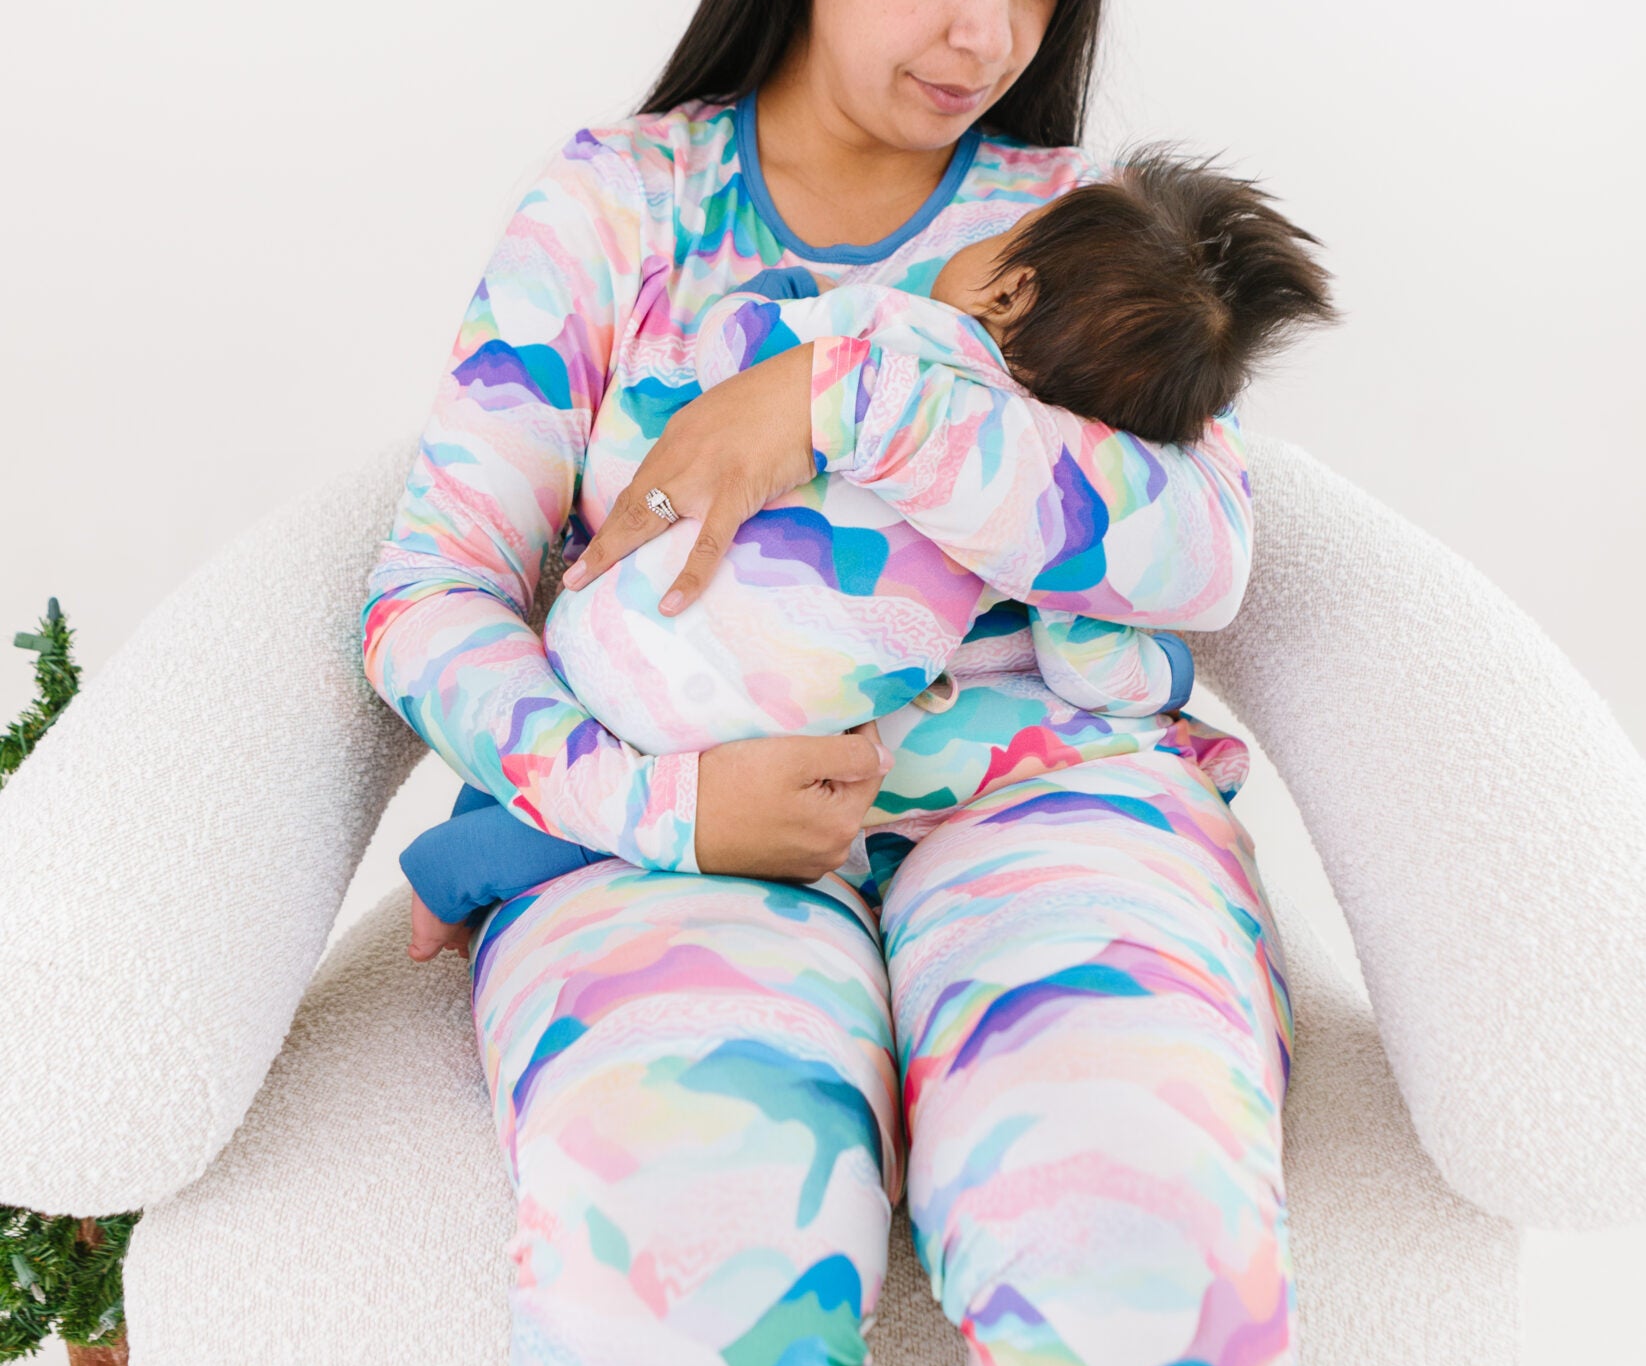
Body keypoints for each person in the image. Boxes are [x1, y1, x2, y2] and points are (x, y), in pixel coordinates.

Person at [363, 0, 1298, 1366]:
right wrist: (660, 808)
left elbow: (1204, 546)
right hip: (666, 836)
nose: (983, 29)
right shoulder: (616, 210)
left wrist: (842, 403)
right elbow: (424, 607)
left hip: (1043, 799)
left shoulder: (1071, 226)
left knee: (1139, 1214)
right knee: (669, 1254)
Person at [400, 155, 1335, 947]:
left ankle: (473, 843)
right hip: (803, 747)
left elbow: (736, 354)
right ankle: (529, 832)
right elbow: (1093, 653)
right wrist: (1158, 675)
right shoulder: (1052, 498)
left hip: (651, 655)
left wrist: (791, 338)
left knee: (622, 733)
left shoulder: (905, 327)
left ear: (1008, 286)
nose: (985, 31)